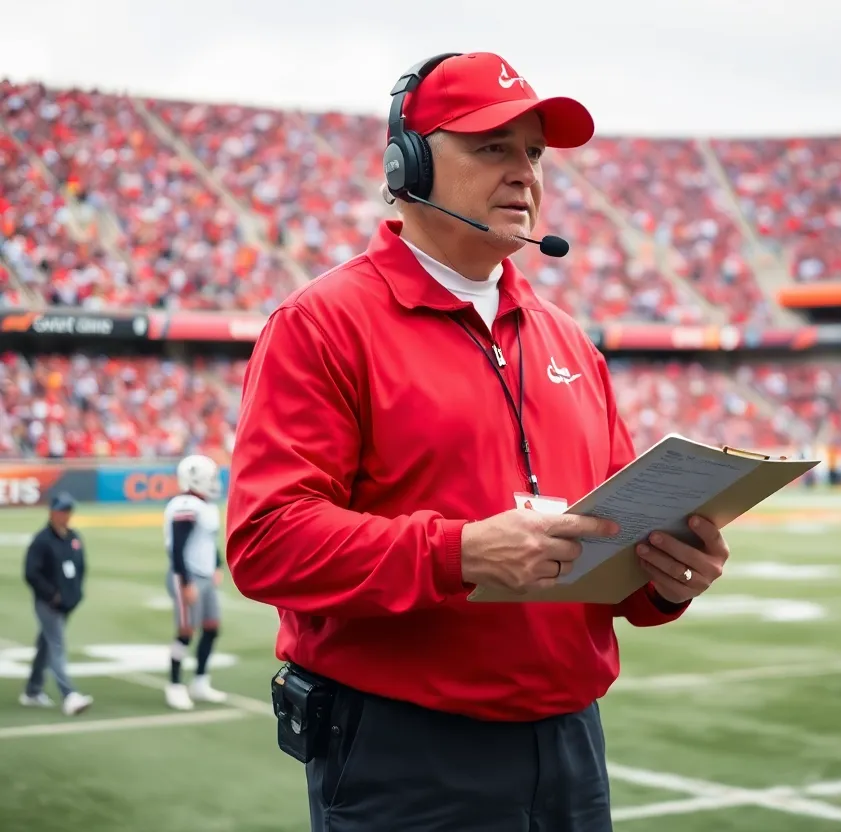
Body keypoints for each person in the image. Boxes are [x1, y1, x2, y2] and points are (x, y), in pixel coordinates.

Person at [225, 50, 730, 832]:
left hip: (570, 747)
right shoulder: (322, 325)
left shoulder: (569, 342)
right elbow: (265, 542)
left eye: (533, 152)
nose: (524, 172)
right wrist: (458, 553)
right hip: (404, 754)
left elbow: (616, 546)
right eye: (491, 147)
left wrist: (668, 578)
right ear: (410, 163)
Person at [163, 454, 229, 711]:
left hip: (204, 576)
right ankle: (175, 685)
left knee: (211, 627)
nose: (214, 482)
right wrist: (186, 581)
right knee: (185, 633)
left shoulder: (205, 505)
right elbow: (178, 548)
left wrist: (216, 565)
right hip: (186, 576)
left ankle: (200, 680)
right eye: (210, 477)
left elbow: (207, 542)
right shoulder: (185, 504)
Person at [20, 492, 93, 716]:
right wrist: (51, 594)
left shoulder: (74, 538)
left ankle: (32, 690)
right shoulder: (42, 540)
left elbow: (81, 568)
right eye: (62, 510)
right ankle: (69, 694)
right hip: (48, 603)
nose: (66, 515)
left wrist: (76, 594)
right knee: (57, 645)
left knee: (46, 644)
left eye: (69, 510)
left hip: (67, 603)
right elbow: (31, 572)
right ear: (52, 512)